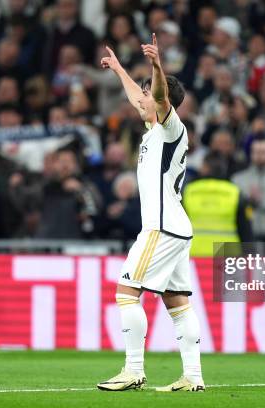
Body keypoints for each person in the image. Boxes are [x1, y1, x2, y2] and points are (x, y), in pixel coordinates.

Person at [97, 33, 204, 392]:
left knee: (126, 292)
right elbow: (141, 98)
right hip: (176, 228)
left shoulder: (172, 128)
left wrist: (157, 66)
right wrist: (119, 69)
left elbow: (156, 96)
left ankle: (133, 370)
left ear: (162, 101)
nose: (140, 99)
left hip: (161, 228)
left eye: (147, 94)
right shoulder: (155, 130)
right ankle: (193, 376)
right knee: (177, 302)